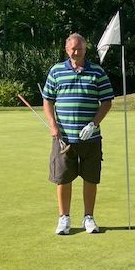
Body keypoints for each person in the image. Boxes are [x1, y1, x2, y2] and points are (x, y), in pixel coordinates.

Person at [42, 33, 114, 235]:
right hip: (64, 138)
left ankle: (88, 217)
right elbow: (48, 100)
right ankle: (64, 218)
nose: (76, 52)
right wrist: (53, 125)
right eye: (73, 48)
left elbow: (107, 101)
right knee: (63, 178)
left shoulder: (97, 71)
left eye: (80, 48)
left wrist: (93, 124)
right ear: (67, 50)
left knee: (90, 178)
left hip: (90, 137)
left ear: (85, 49)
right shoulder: (56, 71)